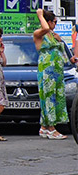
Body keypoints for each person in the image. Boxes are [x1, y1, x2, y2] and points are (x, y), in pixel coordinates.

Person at [33, 8, 77, 140]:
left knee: (57, 98)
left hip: (57, 71)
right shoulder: (40, 33)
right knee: (48, 98)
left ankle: (45, 126)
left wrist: (69, 57)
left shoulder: (53, 35)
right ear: (48, 22)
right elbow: (45, 29)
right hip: (47, 71)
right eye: (54, 22)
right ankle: (51, 127)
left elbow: (62, 51)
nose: (55, 25)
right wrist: (40, 15)